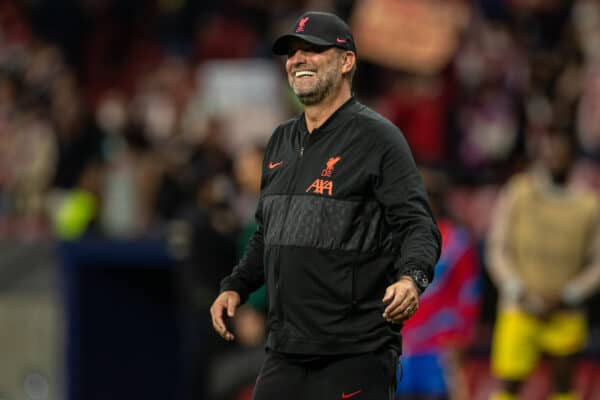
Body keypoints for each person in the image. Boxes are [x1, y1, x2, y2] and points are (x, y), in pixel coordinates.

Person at [209, 11, 441, 400]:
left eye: (312, 50)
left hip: (353, 352)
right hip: (285, 350)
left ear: (346, 60)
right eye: (291, 53)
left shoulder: (378, 139)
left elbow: (418, 224)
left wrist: (410, 279)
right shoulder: (281, 140)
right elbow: (269, 232)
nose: (297, 59)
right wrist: (237, 286)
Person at [486, 123, 600, 400]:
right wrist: (517, 290)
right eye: (551, 152)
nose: (557, 159)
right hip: (519, 305)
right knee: (509, 383)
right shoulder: (519, 193)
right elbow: (497, 248)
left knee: (563, 383)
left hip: (566, 308)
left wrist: (571, 294)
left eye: (563, 153)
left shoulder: (588, 203)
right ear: (541, 155)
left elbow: (598, 261)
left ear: (573, 157)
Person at [395, 169, 481, 400]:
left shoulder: (457, 241)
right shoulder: (393, 239)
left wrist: (461, 339)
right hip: (401, 347)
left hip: (441, 348)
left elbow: (469, 293)